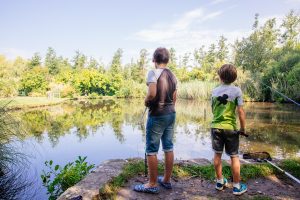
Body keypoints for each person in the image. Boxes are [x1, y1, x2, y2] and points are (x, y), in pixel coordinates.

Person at [133, 47, 177, 194]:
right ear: (167, 60)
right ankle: (166, 180)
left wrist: (146, 101)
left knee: (151, 150)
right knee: (168, 147)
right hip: (171, 113)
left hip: (157, 114)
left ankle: (152, 184)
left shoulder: (153, 72)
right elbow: (175, 97)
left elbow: (152, 93)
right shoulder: (172, 75)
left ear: (154, 60)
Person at [211, 64, 247, 195]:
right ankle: (237, 186)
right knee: (234, 156)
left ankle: (220, 181)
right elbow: (241, 112)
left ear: (220, 76)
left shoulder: (214, 91)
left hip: (215, 127)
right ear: (235, 77)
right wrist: (243, 128)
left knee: (217, 154)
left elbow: (213, 110)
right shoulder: (237, 91)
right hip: (230, 128)